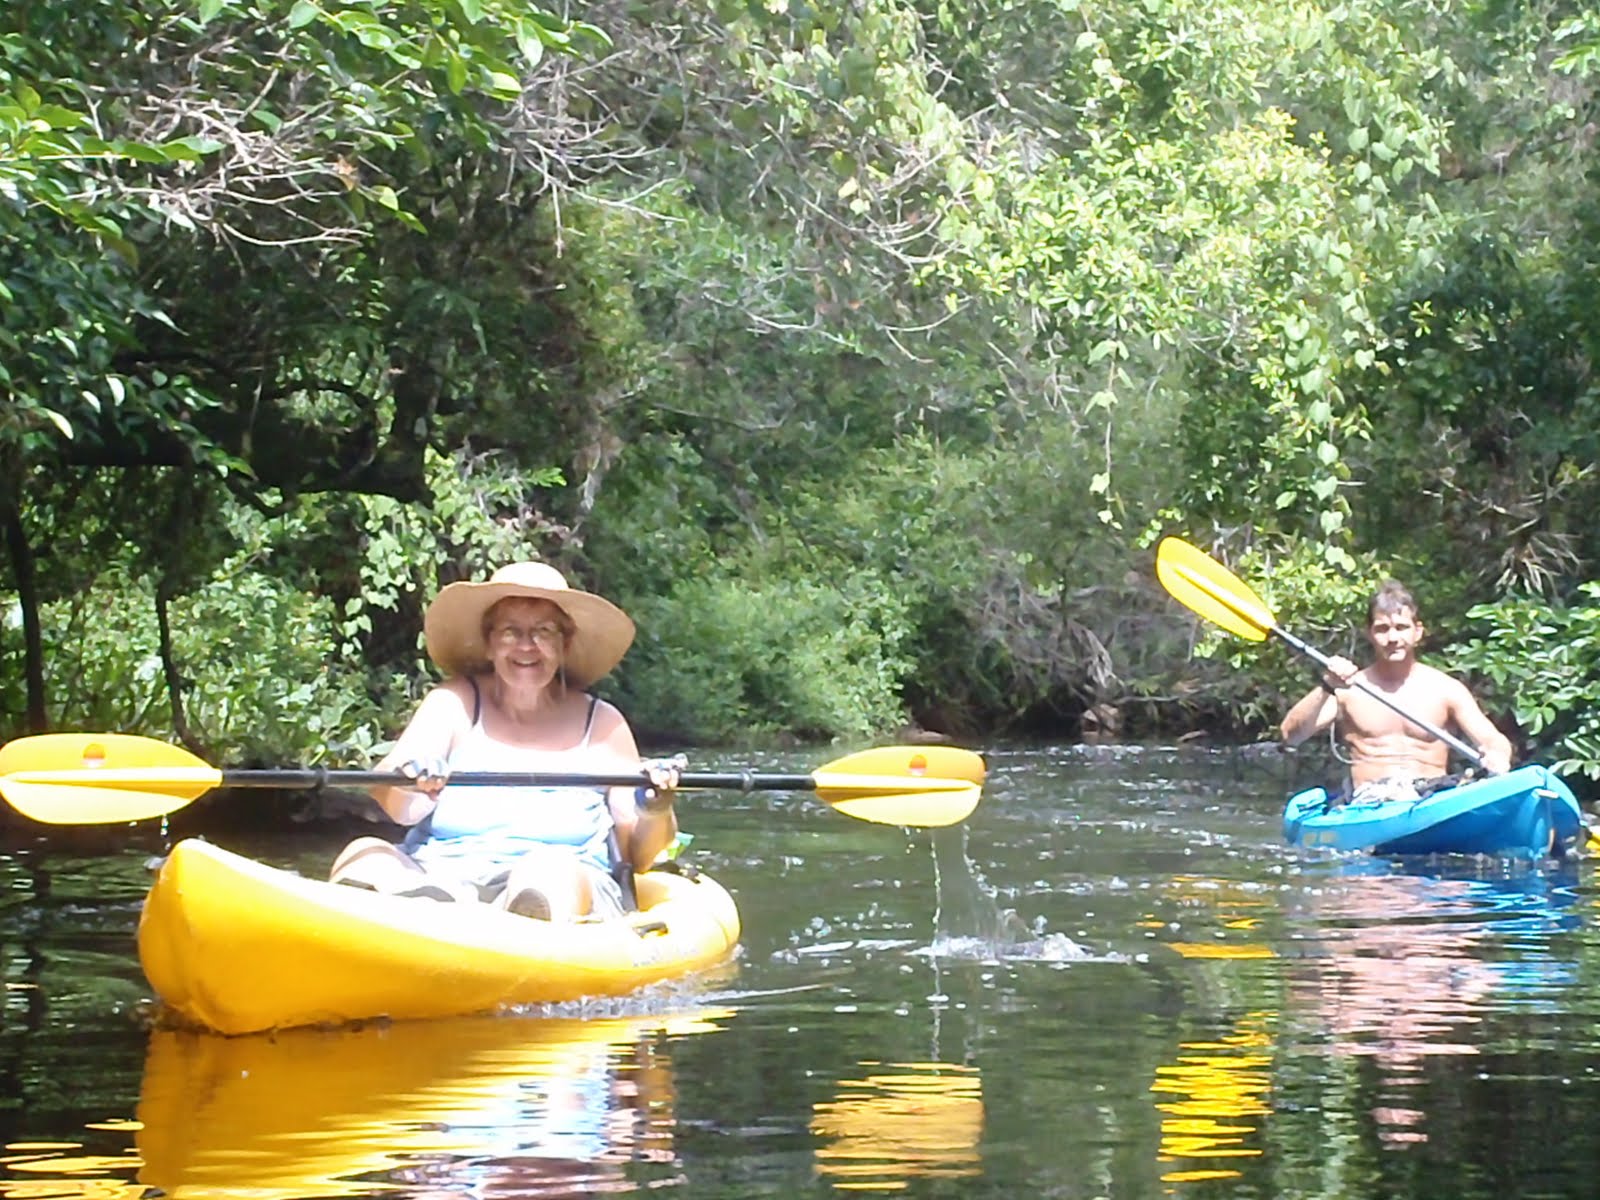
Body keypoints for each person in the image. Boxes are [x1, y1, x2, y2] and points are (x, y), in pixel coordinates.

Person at [329, 561, 680, 920]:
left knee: (547, 867)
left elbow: (639, 855)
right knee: (365, 855)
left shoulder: (603, 723)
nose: (526, 646)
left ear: (564, 644)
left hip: (563, 885)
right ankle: (416, 922)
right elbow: (392, 799)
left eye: (543, 632)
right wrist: (412, 783)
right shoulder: (453, 703)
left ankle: (523, 924)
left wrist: (655, 808)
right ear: (488, 643)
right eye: (511, 632)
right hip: (439, 878)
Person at [1278, 579, 1513, 802]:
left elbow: (1492, 740)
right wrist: (1327, 686)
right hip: (1371, 800)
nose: (1393, 638)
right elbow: (1291, 736)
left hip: (1431, 796)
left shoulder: (1446, 689)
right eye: (1382, 629)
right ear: (1369, 633)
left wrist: (1497, 756)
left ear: (1417, 632)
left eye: (1401, 627)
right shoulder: (1347, 690)